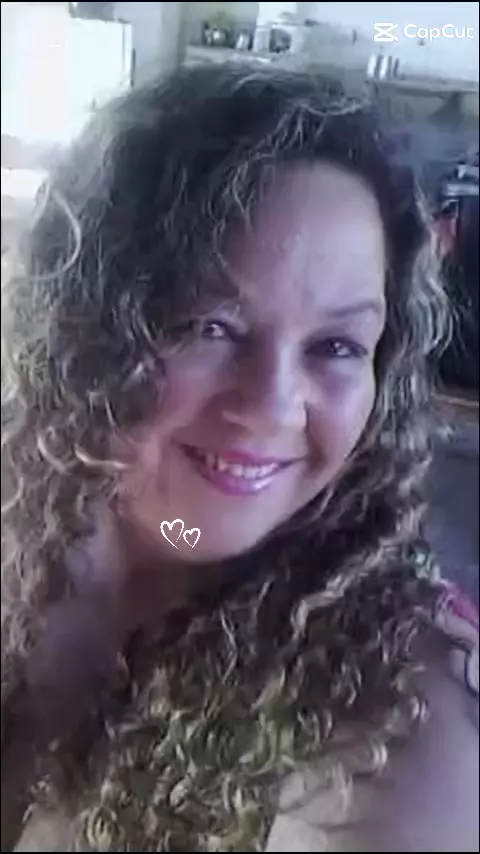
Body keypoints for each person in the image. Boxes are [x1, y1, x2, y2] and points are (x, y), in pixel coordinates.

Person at [1, 65, 478, 853]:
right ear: (87, 326)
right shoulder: (28, 509)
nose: (273, 407)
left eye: (335, 346)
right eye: (210, 327)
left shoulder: (398, 710)